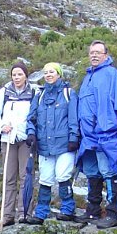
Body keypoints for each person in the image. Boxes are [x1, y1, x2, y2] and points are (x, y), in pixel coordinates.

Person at [75, 40, 117, 228]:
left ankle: (113, 212)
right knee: (92, 173)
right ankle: (93, 211)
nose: (94, 55)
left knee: (109, 172)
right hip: (88, 137)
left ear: (106, 55)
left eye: (98, 52)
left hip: (106, 135)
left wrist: (110, 127)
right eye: (91, 53)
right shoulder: (87, 77)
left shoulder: (113, 75)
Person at [25, 63, 79, 223]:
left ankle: (68, 209)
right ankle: (41, 213)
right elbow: (31, 117)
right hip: (44, 145)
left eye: (52, 72)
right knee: (45, 178)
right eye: (46, 72)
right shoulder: (39, 95)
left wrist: (73, 138)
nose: (48, 75)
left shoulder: (68, 93)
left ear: (59, 74)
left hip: (64, 145)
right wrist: (31, 133)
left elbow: (74, 118)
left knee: (63, 176)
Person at [0, 61, 36, 226]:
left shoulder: (33, 91)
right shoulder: (4, 92)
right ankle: (7, 215)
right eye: (14, 74)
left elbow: (35, 114)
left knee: (26, 176)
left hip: (25, 139)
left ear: (26, 75)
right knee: (9, 177)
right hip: (7, 139)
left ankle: (24, 212)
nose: (17, 77)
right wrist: (1, 126)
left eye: (20, 74)